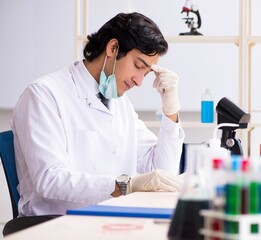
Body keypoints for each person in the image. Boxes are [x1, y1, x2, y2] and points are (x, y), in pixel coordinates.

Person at [11, 12, 185, 216]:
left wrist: (171, 111)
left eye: (146, 74)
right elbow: (50, 180)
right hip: (57, 224)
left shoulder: (119, 103)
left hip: (110, 219)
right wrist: (126, 185)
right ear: (112, 48)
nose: (139, 81)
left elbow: (163, 171)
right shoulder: (44, 95)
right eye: (138, 66)